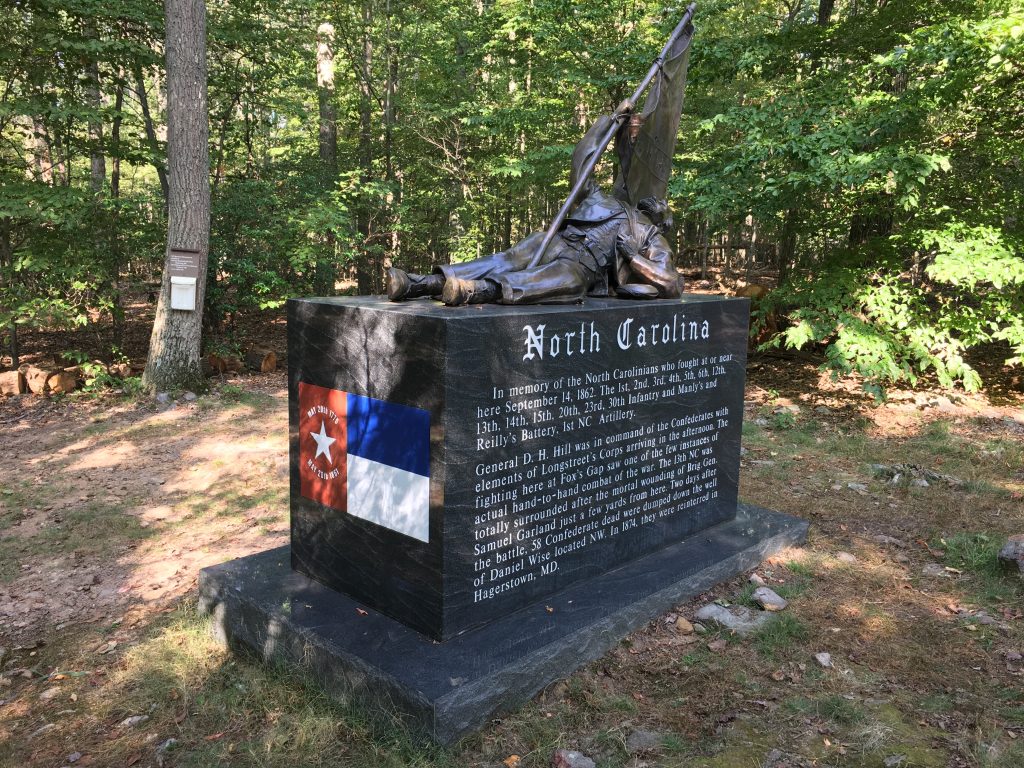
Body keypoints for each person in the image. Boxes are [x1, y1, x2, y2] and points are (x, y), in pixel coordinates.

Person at [386, 116, 684, 306]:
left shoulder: (652, 237)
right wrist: (607, 124)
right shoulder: (609, 202)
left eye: (662, 205)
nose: (656, 201)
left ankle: (471, 290)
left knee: (551, 281)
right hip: (559, 241)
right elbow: (581, 165)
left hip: (582, 268)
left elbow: (672, 284)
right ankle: (418, 283)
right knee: (507, 258)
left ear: (663, 219)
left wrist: (633, 256)